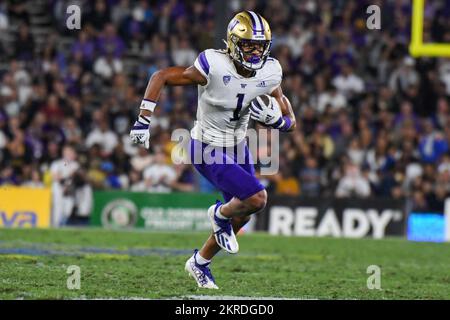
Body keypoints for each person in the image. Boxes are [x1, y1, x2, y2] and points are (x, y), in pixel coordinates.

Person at [129, 11, 296, 289]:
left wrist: (279, 120)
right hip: (205, 146)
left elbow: (291, 121)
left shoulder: (271, 71)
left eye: (260, 45)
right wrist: (143, 120)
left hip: (239, 146)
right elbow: (161, 76)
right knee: (256, 198)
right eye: (248, 45)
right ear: (232, 43)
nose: (255, 52)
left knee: (242, 213)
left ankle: (200, 262)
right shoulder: (214, 64)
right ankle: (218, 214)